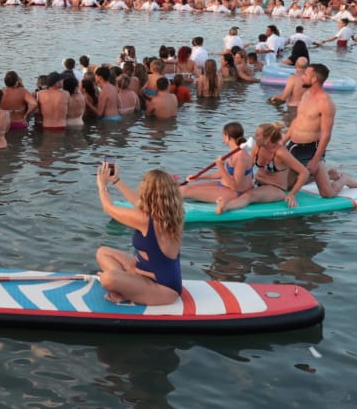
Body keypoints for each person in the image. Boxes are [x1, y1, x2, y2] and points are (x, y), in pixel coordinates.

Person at [93, 163, 185, 307]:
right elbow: (138, 202)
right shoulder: (173, 214)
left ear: (147, 191)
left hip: (163, 288)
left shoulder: (146, 220)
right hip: (144, 272)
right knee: (103, 253)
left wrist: (102, 186)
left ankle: (123, 290)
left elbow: (108, 208)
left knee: (107, 279)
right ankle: (125, 285)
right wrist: (116, 181)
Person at [284, 63, 353, 198]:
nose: (302, 77)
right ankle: (328, 175)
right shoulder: (305, 95)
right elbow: (297, 121)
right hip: (294, 146)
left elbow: (326, 135)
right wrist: (283, 140)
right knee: (287, 186)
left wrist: (316, 160)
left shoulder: (326, 103)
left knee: (328, 194)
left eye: (305, 75)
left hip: (312, 149)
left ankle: (344, 178)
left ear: (314, 79)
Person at [182, 120, 255, 213]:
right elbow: (222, 174)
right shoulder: (234, 152)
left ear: (227, 137)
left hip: (235, 193)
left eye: (223, 135)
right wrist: (198, 177)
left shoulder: (241, 157)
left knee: (184, 191)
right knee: (186, 188)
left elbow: (235, 186)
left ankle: (162, 205)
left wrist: (220, 166)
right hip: (224, 186)